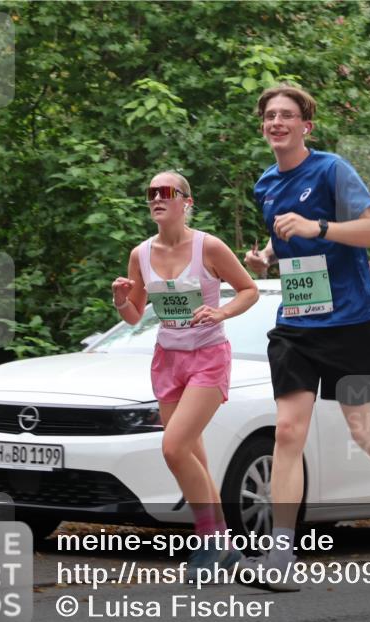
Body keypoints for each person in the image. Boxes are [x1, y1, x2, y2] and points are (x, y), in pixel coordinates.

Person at [244, 84, 370, 589]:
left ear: (306, 125)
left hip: (350, 320)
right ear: (263, 125)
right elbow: (285, 231)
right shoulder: (265, 183)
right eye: (270, 116)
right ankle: (281, 557)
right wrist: (268, 254)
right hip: (297, 325)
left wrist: (317, 227)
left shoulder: (332, 170)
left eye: (287, 115)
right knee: (288, 431)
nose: (277, 122)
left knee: (362, 428)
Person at [112, 170, 259, 577]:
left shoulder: (208, 247)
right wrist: (121, 300)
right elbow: (134, 315)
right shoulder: (141, 253)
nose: (157, 198)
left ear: (186, 202)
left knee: (174, 448)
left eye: (166, 192)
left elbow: (249, 289)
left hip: (209, 357)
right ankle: (225, 547)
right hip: (168, 360)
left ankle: (209, 541)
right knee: (192, 455)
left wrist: (222, 310)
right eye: (151, 193)